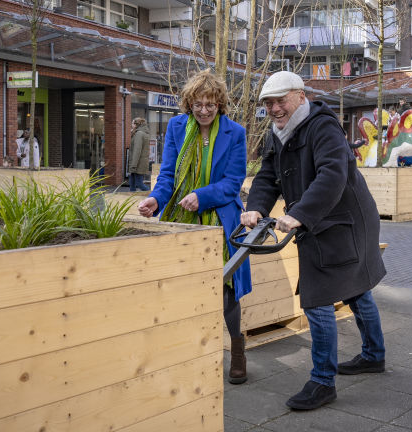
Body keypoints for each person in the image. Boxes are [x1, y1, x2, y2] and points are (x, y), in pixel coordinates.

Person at [242, 71, 387, 411]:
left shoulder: (322, 127)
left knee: (319, 298)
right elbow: (267, 176)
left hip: (345, 222)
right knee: (356, 290)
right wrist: (255, 209)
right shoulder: (278, 132)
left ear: (301, 96)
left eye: (281, 101)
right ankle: (374, 355)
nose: (275, 109)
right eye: (268, 104)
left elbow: (331, 175)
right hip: (320, 220)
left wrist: (298, 214)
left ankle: (323, 382)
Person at [136, 69, 251, 384]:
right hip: (180, 220)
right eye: (198, 104)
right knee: (181, 287)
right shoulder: (176, 127)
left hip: (220, 220)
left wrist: (202, 196)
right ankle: (188, 351)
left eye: (210, 105)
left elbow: (232, 183)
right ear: (189, 103)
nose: (203, 111)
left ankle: (237, 351)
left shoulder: (235, 132)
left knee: (226, 290)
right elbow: (168, 175)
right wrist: (156, 201)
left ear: (220, 105)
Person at [128, 117, 150, 192]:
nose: (131, 125)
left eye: (132, 123)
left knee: (139, 183)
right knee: (132, 182)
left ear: (136, 125)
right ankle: (132, 199)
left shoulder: (139, 134)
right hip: (139, 162)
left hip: (138, 163)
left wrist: (133, 165)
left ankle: (153, 196)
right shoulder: (141, 133)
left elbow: (137, 150)